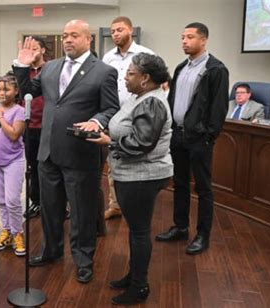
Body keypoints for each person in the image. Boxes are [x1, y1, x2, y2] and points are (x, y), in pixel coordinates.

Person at [13, 19, 119, 283]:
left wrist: (96, 121)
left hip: (80, 152)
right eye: (64, 35)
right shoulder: (50, 68)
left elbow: (110, 108)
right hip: (48, 152)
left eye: (74, 35)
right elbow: (26, 92)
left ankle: (83, 260)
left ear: (88, 39)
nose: (68, 39)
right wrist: (22, 66)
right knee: (50, 208)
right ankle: (51, 251)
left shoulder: (103, 71)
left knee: (82, 212)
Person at [88, 53, 173, 305]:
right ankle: (133, 275)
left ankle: (139, 286)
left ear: (145, 78)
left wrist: (109, 141)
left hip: (143, 176)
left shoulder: (152, 102)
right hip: (134, 175)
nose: (125, 77)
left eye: (131, 73)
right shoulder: (141, 97)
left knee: (139, 231)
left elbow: (142, 143)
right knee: (136, 229)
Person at [155, 22, 229, 255]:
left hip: (199, 139)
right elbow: (174, 99)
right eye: (182, 37)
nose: (184, 41)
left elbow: (219, 108)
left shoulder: (216, 69)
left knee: (204, 189)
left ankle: (203, 235)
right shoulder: (180, 68)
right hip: (178, 135)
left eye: (190, 37)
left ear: (203, 40)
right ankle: (180, 227)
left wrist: (209, 136)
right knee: (180, 184)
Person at [102, 16, 154, 220]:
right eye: (113, 30)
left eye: (120, 30)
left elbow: (159, 84)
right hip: (115, 116)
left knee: (136, 158)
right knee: (113, 160)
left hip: (138, 115)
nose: (116, 34)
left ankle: (136, 206)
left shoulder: (146, 55)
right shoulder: (108, 58)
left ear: (130, 31)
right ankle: (115, 204)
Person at [0, 73, 27, 257]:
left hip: (14, 161)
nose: (2, 92)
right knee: (0, 200)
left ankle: (18, 233)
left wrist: (0, 117)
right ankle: (7, 231)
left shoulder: (19, 110)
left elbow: (14, 135)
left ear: (16, 91)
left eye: (6, 89)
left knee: (12, 200)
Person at [21, 36, 46, 219]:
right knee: (33, 168)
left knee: (52, 167)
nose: (33, 52)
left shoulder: (52, 70)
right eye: (30, 49)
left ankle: (61, 204)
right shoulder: (22, 72)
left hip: (49, 126)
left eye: (36, 49)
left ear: (43, 50)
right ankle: (36, 202)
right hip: (29, 127)